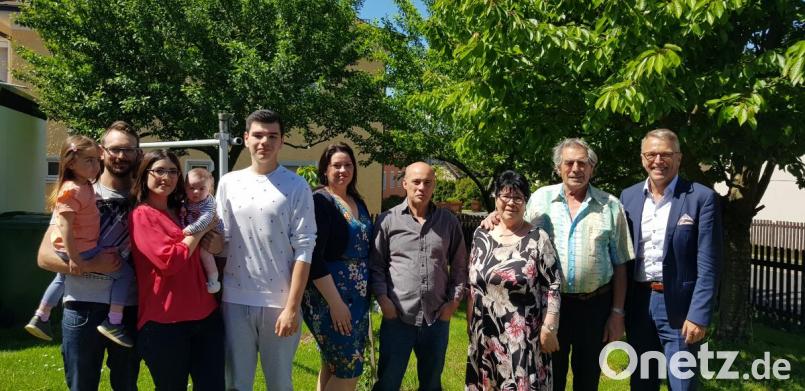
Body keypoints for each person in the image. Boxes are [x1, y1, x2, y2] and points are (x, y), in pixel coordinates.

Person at [481, 138, 635, 391]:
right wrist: (495, 215)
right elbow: (514, 220)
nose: (576, 169)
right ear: (558, 168)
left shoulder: (611, 205)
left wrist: (617, 313)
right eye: (569, 163)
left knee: (588, 380)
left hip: (595, 307)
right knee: (550, 379)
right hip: (549, 307)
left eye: (582, 163)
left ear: (592, 168)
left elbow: (620, 264)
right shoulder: (540, 199)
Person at [36, 121, 143, 390]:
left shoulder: (144, 197)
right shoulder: (77, 191)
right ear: (102, 151)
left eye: (129, 150)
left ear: (138, 154)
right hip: (81, 306)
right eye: (115, 149)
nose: (121, 156)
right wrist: (93, 264)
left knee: (127, 385)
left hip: (129, 308)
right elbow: (45, 256)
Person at [216, 109, 317, 390]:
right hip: (235, 300)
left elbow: (304, 248)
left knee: (280, 384)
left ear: (282, 141)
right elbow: (222, 240)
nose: (265, 142)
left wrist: (292, 307)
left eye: (272, 136)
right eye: (258, 135)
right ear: (246, 138)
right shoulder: (229, 183)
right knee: (235, 384)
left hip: (279, 303)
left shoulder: (297, 186)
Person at [620, 129, 722, 391]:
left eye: (666, 154)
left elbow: (709, 264)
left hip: (681, 308)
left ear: (678, 158)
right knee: (642, 381)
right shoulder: (628, 197)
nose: (658, 160)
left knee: (682, 383)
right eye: (651, 154)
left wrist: (699, 315)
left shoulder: (701, 198)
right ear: (642, 158)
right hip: (639, 304)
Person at [26, 135, 135, 348]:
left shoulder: (85, 185)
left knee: (60, 278)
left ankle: (41, 315)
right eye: (89, 161)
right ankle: (114, 321)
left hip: (84, 247)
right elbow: (63, 228)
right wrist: (78, 260)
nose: (95, 165)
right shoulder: (71, 190)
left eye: (96, 160)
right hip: (81, 254)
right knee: (124, 274)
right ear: (71, 163)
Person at [129, 149, 224, 389]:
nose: (167, 177)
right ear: (145, 174)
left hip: (206, 315)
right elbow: (169, 262)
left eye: (173, 171)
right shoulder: (142, 215)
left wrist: (215, 242)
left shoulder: (183, 209)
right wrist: (201, 229)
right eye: (159, 170)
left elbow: (211, 244)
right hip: (165, 322)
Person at [369, 161, 468, 391]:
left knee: (431, 384)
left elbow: (460, 265)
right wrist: (384, 301)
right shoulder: (388, 220)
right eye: (416, 182)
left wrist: (453, 303)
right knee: (388, 383)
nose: (421, 187)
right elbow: (376, 266)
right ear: (405, 184)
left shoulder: (448, 222)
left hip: (436, 318)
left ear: (434, 186)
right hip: (398, 317)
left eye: (427, 182)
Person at [465, 170, 562, 391]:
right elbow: (473, 284)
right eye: (505, 196)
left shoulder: (538, 238)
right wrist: (471, 325)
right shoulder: (481, 235)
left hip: (522, 340)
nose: (511, 202)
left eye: (518, 197)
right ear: (496, 198)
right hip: (484, 336)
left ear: (525, 202)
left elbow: (553, 285)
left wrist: (549, 327)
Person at [302, 143, 373, 391]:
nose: (343, 170)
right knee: (349, 368)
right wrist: (336, 303)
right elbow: (313, 257)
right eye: (337, 165)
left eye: (348, 165)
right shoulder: (320, 201)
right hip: (330, 297)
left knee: (332, 364)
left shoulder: (357, 201)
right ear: (325, 169)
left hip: (358, 298)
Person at [183, 167, 224, 293]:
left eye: (202, 189)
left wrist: (190, 229)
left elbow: (206, 220)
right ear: (185, 188)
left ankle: (213, 279)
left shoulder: (208, 203)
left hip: (212, 232)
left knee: (204, 253)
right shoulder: (187, 201)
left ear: (209, 190)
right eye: (191, 188)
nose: (196, 192)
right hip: (198, 231)